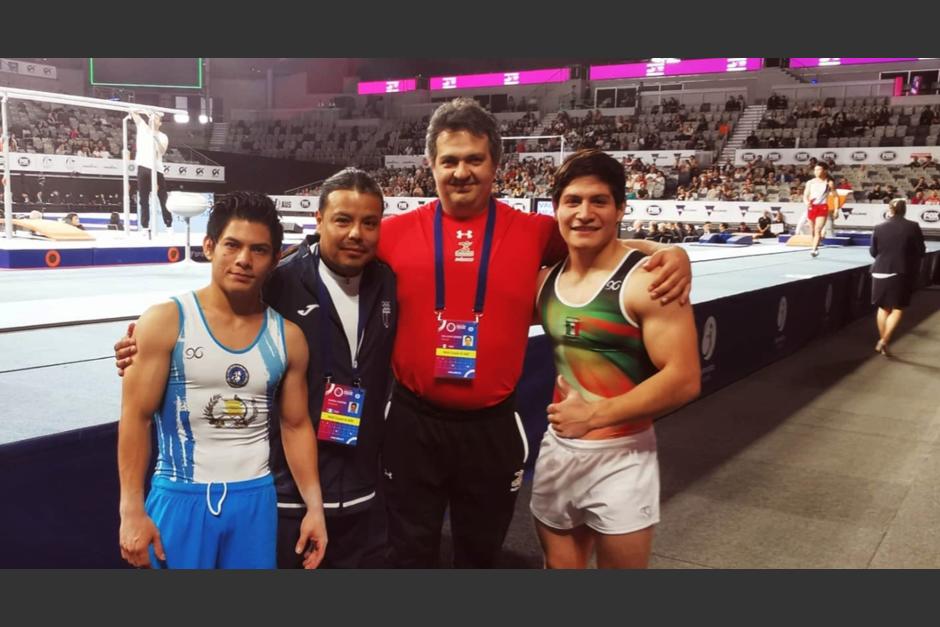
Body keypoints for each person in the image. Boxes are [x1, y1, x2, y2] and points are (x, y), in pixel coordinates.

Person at [376, 97, 693, 568]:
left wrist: (672, 252)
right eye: (450, 161)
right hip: (412, 423)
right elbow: (329, 252)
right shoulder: (393, 232)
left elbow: (600, 237)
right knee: (408, 552)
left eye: (474, 160)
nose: (461, 171)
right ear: (431, 165)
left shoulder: (534, 231)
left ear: (496, 165)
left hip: (491, 427)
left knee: (481, 555)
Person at [114, 170, 398, 569]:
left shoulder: (291, 334)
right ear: (209, 246)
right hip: (180, 495)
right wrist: (130, 509)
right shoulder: (165, 321)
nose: (244, 260)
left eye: (259, 250)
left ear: (273, 257)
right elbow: (135, 418)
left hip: (257, 500)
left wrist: (313, 508)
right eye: (232, 245)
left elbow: (294, 425)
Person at [531, 149, 701, 568]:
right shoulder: (543, 280)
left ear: (621, 208)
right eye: (573, 201)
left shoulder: (648, 280)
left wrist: (594, 416)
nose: (584, 213)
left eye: (599, 201)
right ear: (556, 209)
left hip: (623, 455)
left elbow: (684, 378)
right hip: (559, 450)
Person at [869, 198, 926, 356]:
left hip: (879, 270)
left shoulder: (879, 227)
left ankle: (883, 341)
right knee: (897, 308)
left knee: (883, 307)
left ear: (890, 210)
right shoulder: (912, 226)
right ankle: (885, 340)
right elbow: (920, 250)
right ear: (904, 210)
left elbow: (873, 252)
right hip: (900, 271)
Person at [130, 110, 171, 231]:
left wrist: (155, 137)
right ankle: (145, 226)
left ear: (160, 123)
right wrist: (146, 111)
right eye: (151, 118)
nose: (153, 120)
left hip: (157, 168)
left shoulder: (163, 136)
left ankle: (168, 224)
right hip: (143, 166)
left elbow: (162, 151)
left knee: (163, 198)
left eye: (156, 118)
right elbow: (133, 111)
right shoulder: (142, 127)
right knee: (143, 199)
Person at [802, 162, 835, 257]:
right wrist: (806, 202)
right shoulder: (810, 182)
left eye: (819, 169)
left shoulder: (829, 182)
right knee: (812, 230)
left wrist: (836, 210)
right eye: (815, 170)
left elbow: (835, 196)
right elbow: (805, 196)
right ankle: (815, 244)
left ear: (825, 171)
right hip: (811, 207)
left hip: (822, 207)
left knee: (817, 229)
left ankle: (814, 249)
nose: (816, 171)